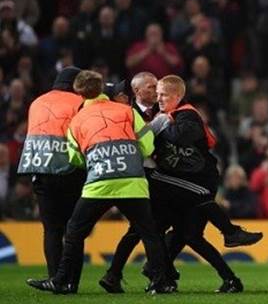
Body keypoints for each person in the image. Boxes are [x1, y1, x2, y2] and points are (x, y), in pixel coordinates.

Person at [100, 75, 262, 293]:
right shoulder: (134, 115)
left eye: (159, 92)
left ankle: (158, 274)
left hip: (183, 181)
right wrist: (158, 125)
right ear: (136, 92)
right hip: (166, 181)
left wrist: (159, 125)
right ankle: (156, 273)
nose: (156, 96)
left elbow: (179, 137)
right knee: (168, 231)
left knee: (179, 232)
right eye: (152, 90)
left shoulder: (178, 114)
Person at [26, 70, 175, 294]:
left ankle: (61, 280)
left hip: (99, 184)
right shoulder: (127, 111)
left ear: (81, 93)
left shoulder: (77, 120)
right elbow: (147, 145)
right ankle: (161, 282)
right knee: (149, 233)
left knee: (74, 231)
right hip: (132, 182)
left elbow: (75, 158)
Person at [17, 67, 85, 278]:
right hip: (70, 170)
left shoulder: (37, 102)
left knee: (52, 229)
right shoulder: (79, 103)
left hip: (40, 170)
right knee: (74, 229)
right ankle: (71, 280)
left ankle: (55, 278)